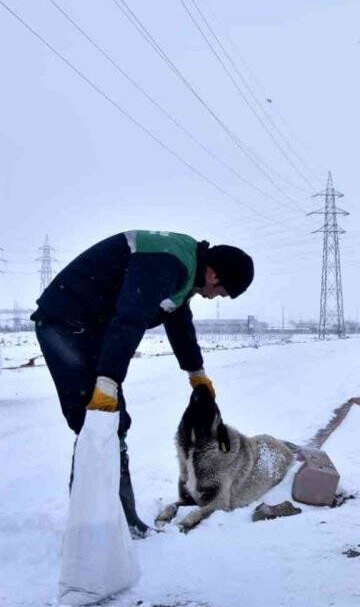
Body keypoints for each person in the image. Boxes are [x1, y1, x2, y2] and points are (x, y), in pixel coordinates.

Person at [31, 230, 254, 537]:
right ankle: (96, 526)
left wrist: (196, 372)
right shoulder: (168, 262)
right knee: (94, 418)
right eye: (222, 290)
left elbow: (178, 320)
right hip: (65, 322)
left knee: (111, 421)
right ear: (213, 272)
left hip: (88, 326)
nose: (217, 296)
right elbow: (131, 317)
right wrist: (107, 382)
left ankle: (113, 520)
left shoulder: (184, 269)